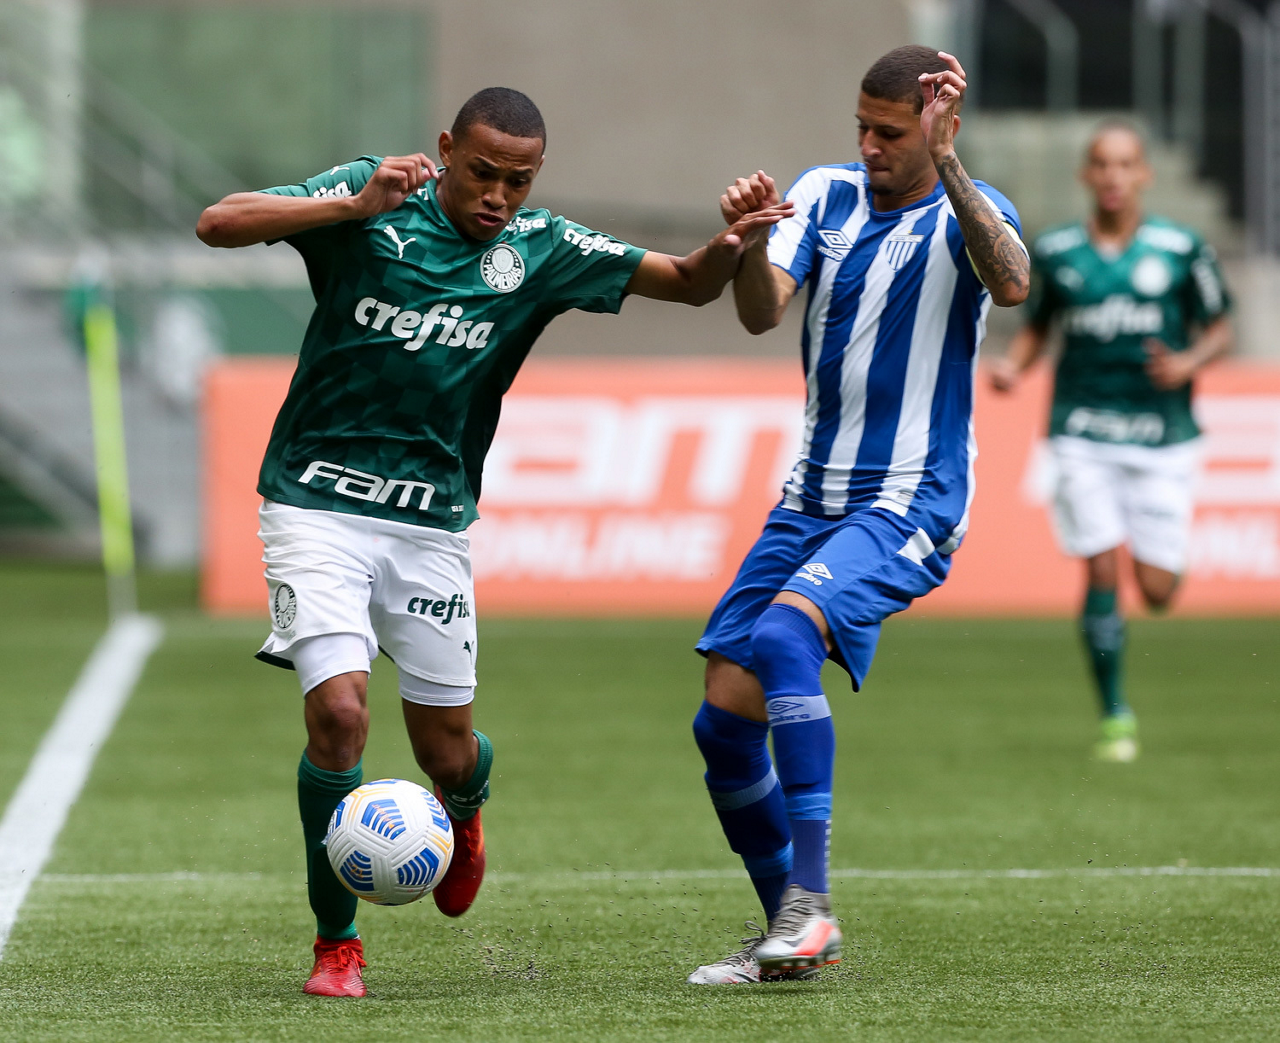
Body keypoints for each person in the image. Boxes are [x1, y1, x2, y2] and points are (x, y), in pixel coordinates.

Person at [196, 87, 792, 998]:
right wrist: (349, 207)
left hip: (431, 523)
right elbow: (218, 223)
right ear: (445, 149)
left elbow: (688, 280)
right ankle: (337, 945)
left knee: (445, 750)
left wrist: (732, 244)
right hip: (314, 503)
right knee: (341, 716)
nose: (498, 197)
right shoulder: (374, 196)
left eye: (518, 181)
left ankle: (464, 809)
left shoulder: (542, 248)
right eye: (482, 173)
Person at [686, 46, 1029, 985]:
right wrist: (747, 242)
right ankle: (787, 938)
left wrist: (948, 162)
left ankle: (812, 906)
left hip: (913, 495)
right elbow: (762, 312)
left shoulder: (971, 209)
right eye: (862, 128)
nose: (871, 146)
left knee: (785, 635)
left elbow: (1011, 282)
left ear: (935, 127)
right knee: (722, 722)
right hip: (811, 497)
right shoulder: (823, 193)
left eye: (891, 132)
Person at [990, 122, 1232, 763]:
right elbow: (1038, 327)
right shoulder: (1057, 250)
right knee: (1099, 564)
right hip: (1082, 429)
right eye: (1101, 163)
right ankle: (1115, 714)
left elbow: (1220, 328)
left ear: (1144, 173)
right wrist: (1015, 366)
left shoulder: (1182, 249)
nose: (1113, 176)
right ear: (1085, 174)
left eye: (1125, 164)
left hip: (1162, 434)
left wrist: (1188, 363)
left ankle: (1153, 569)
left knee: (1156, 591)